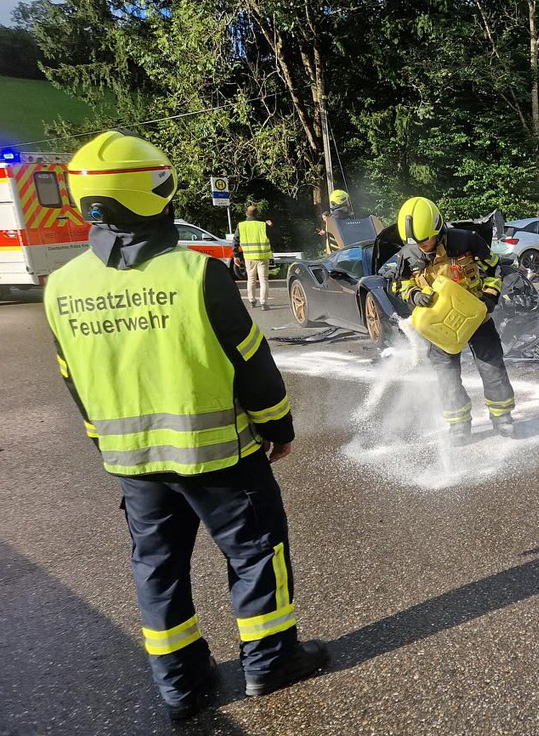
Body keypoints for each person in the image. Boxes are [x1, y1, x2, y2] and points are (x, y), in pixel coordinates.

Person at [45, 130, 328, 722]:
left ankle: (180, 686)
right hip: (221, 458)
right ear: (151, 195)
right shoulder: (195, 275)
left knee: (157, 567)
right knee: (255, 553)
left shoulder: (63, 286)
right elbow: (250, 360)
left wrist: (104, 440)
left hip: (134, 465)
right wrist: (278, 425)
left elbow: (73, 379)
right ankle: (270, 662)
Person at [395, 196, 515, 445]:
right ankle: (459, 425)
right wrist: (414, 295)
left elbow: (495, 269)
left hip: (476, 318)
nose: (422, 246)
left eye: (425, 239)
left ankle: (502, 417)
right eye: (416, 242)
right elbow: (399, 285)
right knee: (447, 376)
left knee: (491, 365)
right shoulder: (407, 256)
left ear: (437, 228)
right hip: (440, 327)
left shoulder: (466, 241)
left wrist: (489, 299)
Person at [235, 205, 272, 310]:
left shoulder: (241, 226)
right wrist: (270, 226)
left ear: (246, 213)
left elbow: (235, 242)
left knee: (251, 279)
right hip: (262, 257)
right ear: (256, 214)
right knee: (263, 280)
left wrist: (236, 256)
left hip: (249, 257)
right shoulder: (263, 225)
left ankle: (252, 301)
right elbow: (273, 237)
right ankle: (264, 303)